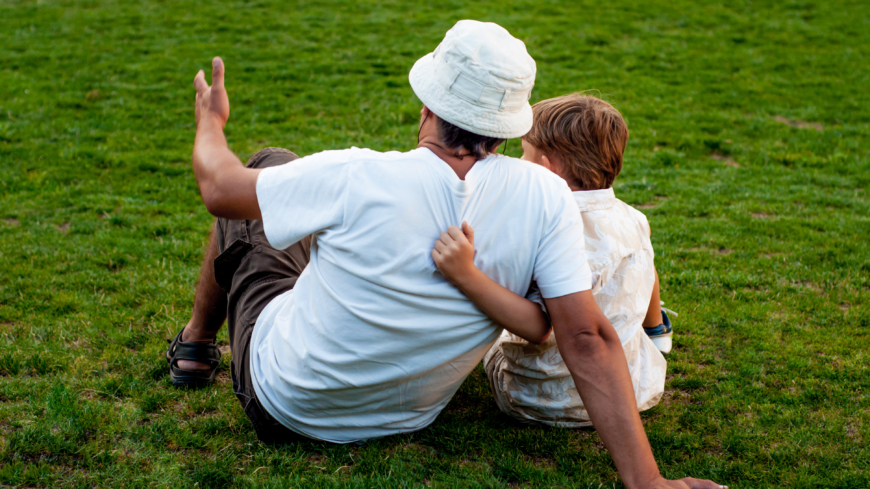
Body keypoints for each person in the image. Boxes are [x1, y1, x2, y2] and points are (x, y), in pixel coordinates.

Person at [165, 20, 722, 489]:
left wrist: (211, 123)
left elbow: (219, 187)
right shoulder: (546, 195)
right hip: (412, 416)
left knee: (267, 163)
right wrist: (650, 484)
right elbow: (584, 336)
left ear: (428, 100)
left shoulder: (357, 174)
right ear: (510, 122)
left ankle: (194, 344)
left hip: (288, 406)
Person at [432, 94, 673, 428]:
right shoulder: (633, 218)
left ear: (546, 171)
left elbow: (539, 330)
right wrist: (654, 330)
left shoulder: (544, 229)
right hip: (629, 391)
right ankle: (660, 332)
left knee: (495, 329)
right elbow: (649, 271)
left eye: (524, 154)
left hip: (538, 401)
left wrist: (466, 274)